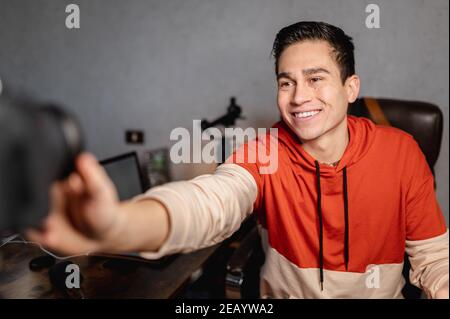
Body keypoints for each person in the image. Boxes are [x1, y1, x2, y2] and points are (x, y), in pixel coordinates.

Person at [27, 21, 448, 299]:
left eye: (315, 79)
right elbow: (212, 202)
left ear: (351, 86)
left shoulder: (401, 151)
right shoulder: (264, 150)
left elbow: (435, 259)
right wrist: (118, 225)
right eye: (287, 83)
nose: (299, 97)